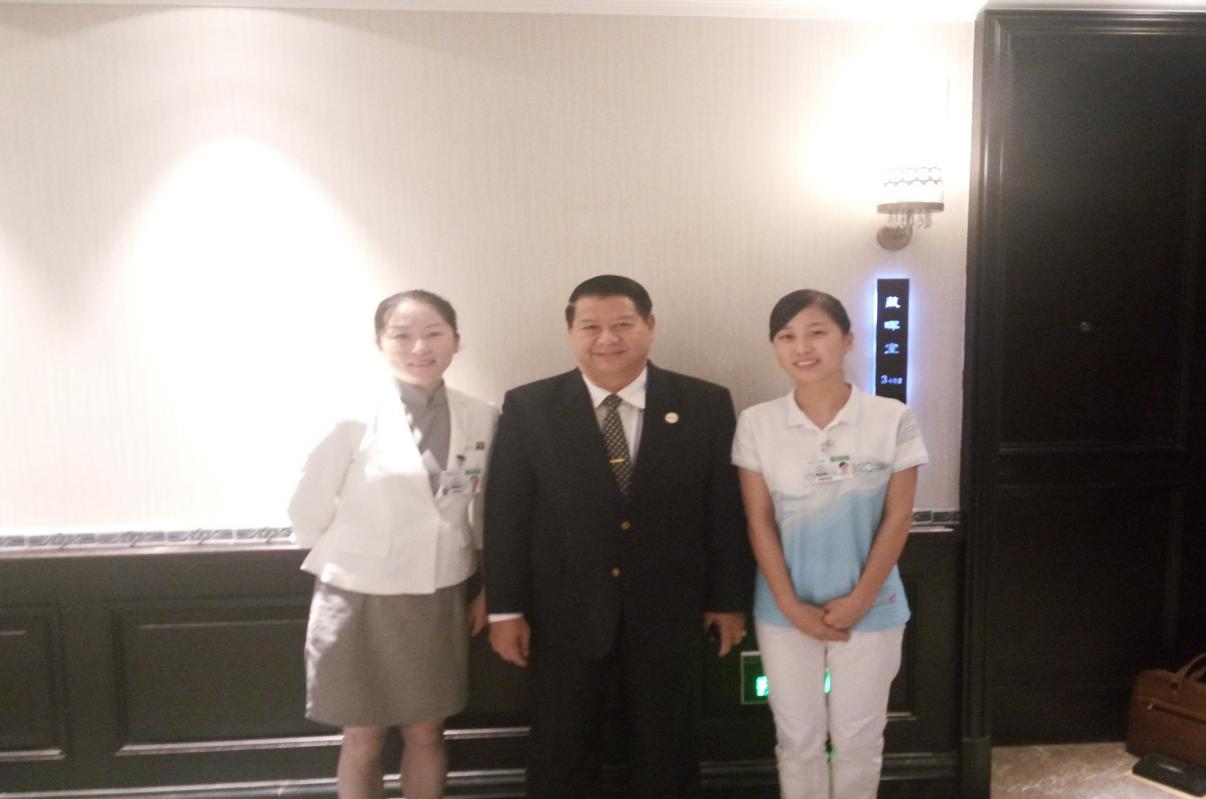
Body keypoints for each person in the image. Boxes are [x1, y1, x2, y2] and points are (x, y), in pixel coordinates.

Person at [483, 274, 753, 799]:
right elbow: (506, 514)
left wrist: (727, 600)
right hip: (563, 613)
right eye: (591, 327)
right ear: (571, 332)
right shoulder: (529, 407)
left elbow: (723, 509)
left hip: (669, 609)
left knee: (667, 748)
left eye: (623, 324)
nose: (607, 338)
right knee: (561, 748)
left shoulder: (705, 403)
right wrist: (504, 610)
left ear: (649, 326)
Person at [288, 290, 497, 799]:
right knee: (364, 734)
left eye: (433, 334)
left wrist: (488, 588)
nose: (419, 347)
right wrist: (350, 557)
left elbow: (487, 511)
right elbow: (308, 506)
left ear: (456, 341)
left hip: (438, 591)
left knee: (427, 730)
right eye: (402, 336)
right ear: (380, 344)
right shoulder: (351, 417)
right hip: (358, 595)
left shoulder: (483, 416)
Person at [731, 289, 928, 799]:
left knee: (858, 741)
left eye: (817, 332)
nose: (802, 347)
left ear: (847, 339)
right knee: (797, 741)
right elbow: (759, 522)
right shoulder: (757, 423)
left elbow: (899, 517)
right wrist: (790, 605)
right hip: (784, 612)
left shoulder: (892, 418)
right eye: (786, 336)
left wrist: (861, 599)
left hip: (873, 608)